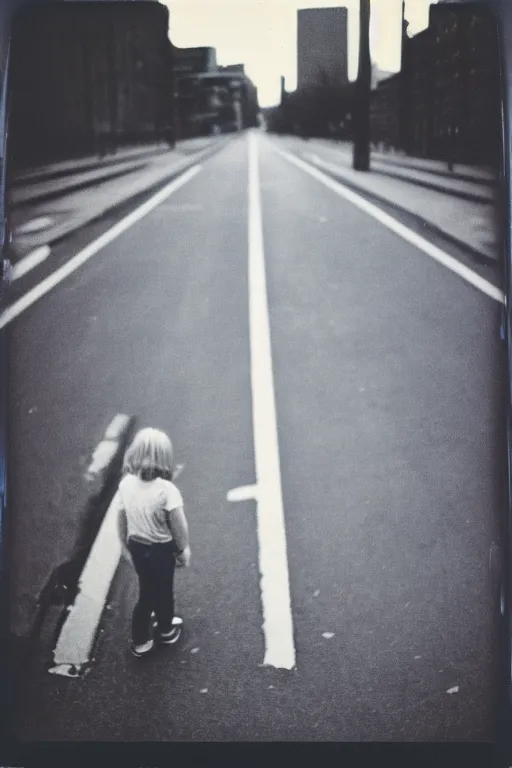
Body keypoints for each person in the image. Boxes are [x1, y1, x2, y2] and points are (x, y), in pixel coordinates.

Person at [115, 427, 191, 658]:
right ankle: (159, 632)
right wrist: (182, 549)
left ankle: (156, 626)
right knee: (159, 591)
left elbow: (121, 517)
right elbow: (179, 527)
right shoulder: (167, 491)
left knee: (148, 587)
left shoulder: (126, 484)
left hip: (137, 547)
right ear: (165, 459)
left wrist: (124, 546)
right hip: (161, 550)